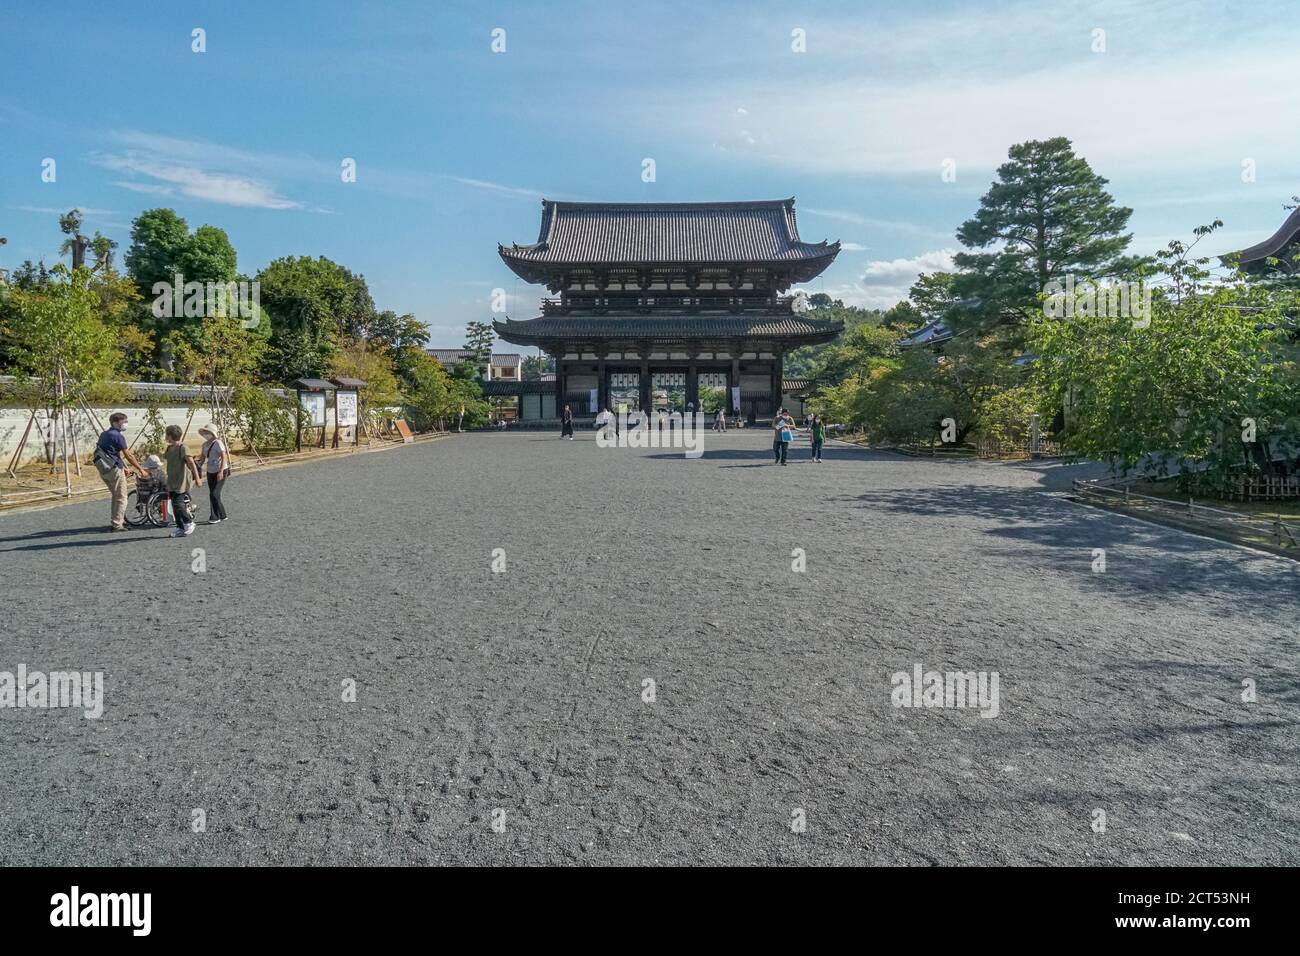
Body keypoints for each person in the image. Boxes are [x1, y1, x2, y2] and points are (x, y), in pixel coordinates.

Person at [93, 412, 148, 532]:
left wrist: (124, 467)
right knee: (122, 497)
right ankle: (117, 524)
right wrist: (141, 469)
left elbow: (113, 453)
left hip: (104, 469)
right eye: (124, 422)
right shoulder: (118, 436)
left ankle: (116, 521)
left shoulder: (104, 434)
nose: (126, 424)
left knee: (116, 496)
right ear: (115, 422)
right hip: (114, 470)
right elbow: (128, 455)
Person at [163, 424, 202, 537]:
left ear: (170, 436)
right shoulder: (169, 448)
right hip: (172, 479)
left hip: (182, 480)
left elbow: (191, 463)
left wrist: (198, 478)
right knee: (174, 505)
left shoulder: (183, 447)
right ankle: (180, 527)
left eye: (166, 434)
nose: (165, 436)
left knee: (178, 504)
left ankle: (189, 522)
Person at [198, 426, 230, 524]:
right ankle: (222, 514)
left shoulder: (218, 443)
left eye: (207, 432)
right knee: (213, 494)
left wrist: (220, 471)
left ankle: (215, 516)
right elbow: (203, 458)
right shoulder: (204, 445)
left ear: (212, 433)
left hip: (221, 470)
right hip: (210, 471)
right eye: (204, 432)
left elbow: (224, 457)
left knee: (214, 493)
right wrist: (197, 465)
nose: (205, 434)